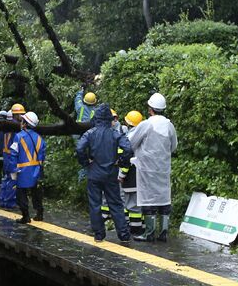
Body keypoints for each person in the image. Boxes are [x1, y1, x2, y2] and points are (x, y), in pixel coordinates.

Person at [76, 103, 132, 243]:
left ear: (97, 118)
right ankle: (123, 235)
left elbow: (79, 148)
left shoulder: (90, 133)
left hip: (94, 171)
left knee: (95, 204)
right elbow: (128, 149)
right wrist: (121, 162)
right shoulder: (115, 133)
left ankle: (99, 234)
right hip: (111, 172)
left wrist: (85, 163)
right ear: (109, 119)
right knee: (116, 203)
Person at [130, 93, 178, 242]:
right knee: (164, 199)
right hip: (163, 168)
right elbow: (174, 146)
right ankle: (163, 233)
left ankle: (149, 233)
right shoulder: (169, 125)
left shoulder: (146, 124)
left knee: (148, 200)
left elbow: (132, 142)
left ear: (150, 109)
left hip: (146, 168)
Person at [8, 112, 46, 224]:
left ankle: (26, 216)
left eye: (22, 121)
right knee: (36, 192)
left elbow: (13, 154)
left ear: (25, 124)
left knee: (21, 193)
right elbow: (43, 154)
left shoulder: (18, 136)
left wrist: (13, 169)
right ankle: (39, 214)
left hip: (22, 171)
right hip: (37, 169)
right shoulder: (40, 138)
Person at [118, 110, 144, 235]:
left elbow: (125, 160)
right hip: (143, 175)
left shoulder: (128, 138)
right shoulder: (144, 136)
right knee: (138, 204)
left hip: (131, 177)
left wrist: (121, 175)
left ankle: (135, 229)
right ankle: (140, 226)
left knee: (132, 205)